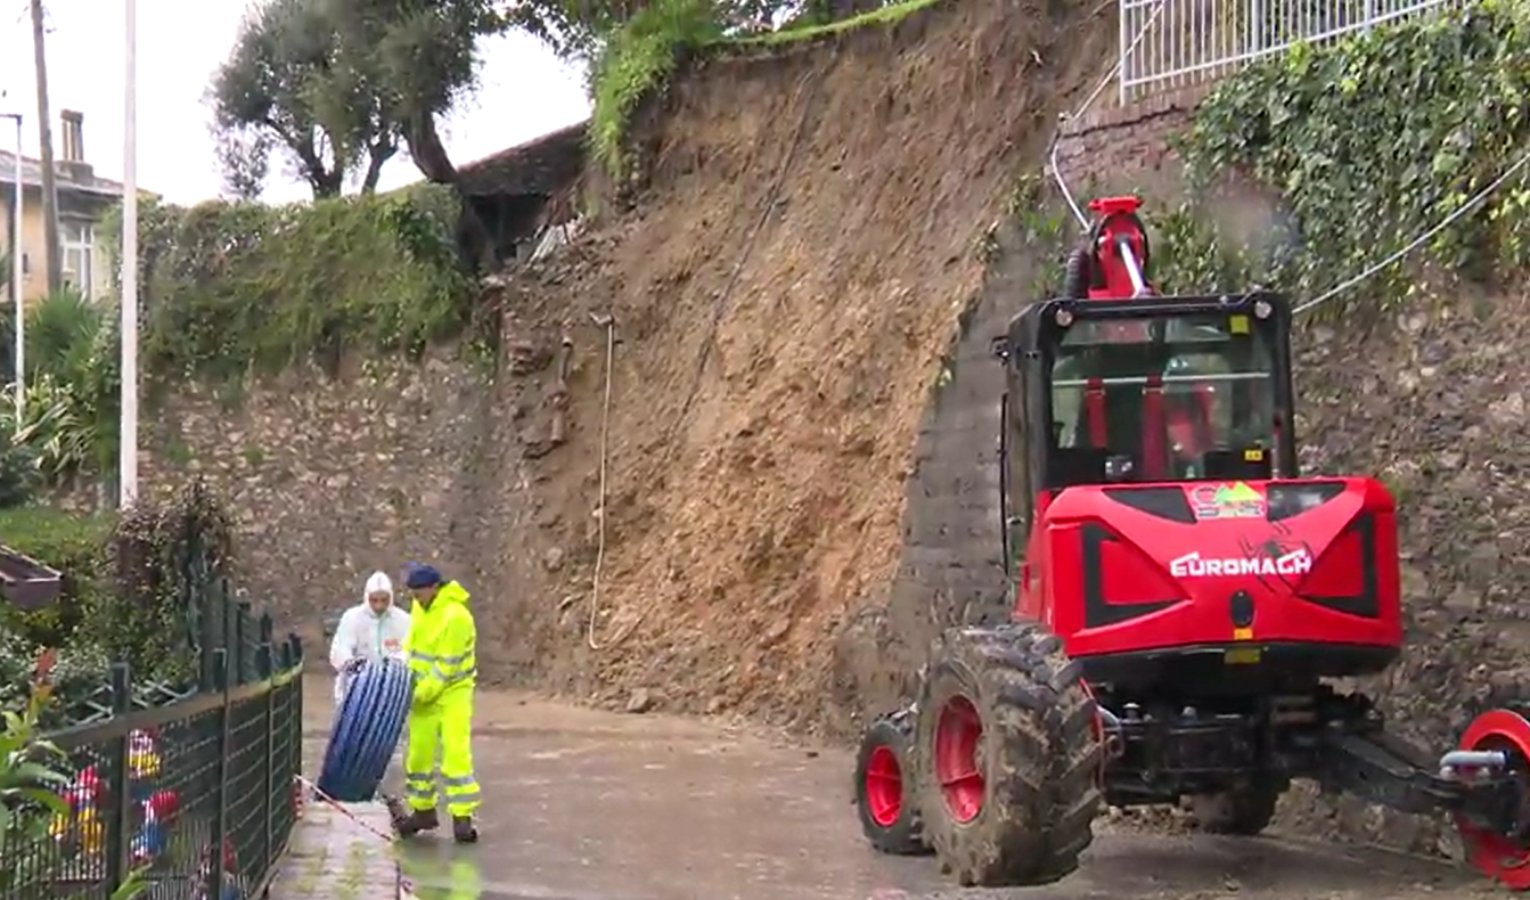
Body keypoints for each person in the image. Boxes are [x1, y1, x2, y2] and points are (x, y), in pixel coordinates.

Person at [396, 564, 481, 843]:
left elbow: (446, 668)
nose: (415, 598)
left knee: (455, 754)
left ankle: (462, 818)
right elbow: (412, 647)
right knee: (418, 756)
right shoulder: (421, 608)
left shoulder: (457, 617)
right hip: (422, 691)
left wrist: (415, 694)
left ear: (434, 587)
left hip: (452, 694)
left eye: (418, 592)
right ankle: (422, 811)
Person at [327, 571, 410, 703]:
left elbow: (409, 649)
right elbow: (341, 649)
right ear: (367, 597)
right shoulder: (352, 618)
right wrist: (354, 666)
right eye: (374, 600)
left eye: (384, 600)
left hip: (390, 692)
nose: (379, 605)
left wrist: (393, 666)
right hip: (355, 691)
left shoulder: (403, 620)